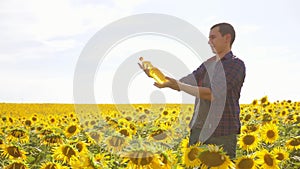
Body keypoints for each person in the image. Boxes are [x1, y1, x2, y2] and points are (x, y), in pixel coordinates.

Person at [140, 23, 245, 159]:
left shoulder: (235, 64)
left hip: (222, 133)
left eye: (213, 37)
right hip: (199, 130)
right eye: (209, 38)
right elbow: (186, 82)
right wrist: (158, 75)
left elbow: (213, 94)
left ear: (227, 38)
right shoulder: (207, 64)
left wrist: (179, 85)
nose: (209, 41)